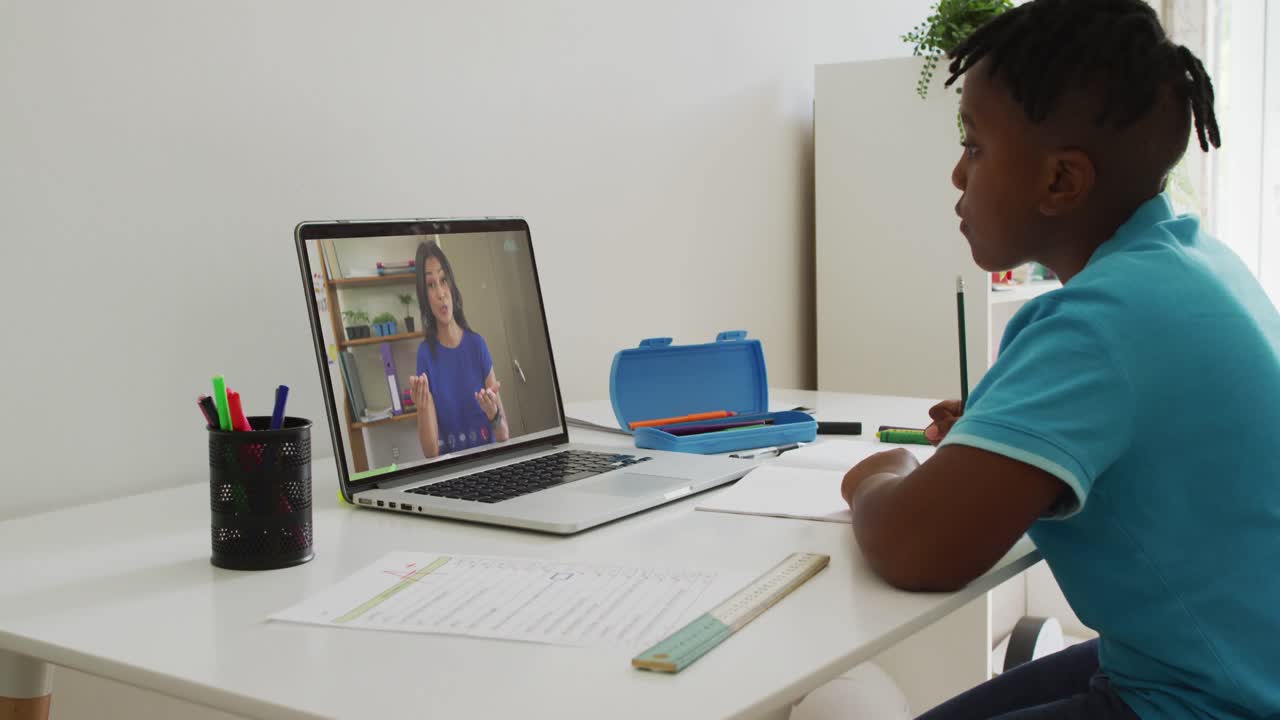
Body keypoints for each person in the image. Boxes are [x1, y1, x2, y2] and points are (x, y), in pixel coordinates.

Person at [838, 1, 1280, 718]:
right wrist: (999, 440)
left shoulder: (1097, 321)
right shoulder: (1191, 264)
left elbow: (920, 548)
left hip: (1214, 700)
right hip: (1219, 660)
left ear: (1061, 183)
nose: (957, 175)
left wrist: (876, 477)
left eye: (974, 147)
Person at [407, 241, 509, 458]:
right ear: (425, 297)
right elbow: (430, 451)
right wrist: (422, 407)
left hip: (489, 465)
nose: (441, 293)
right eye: (431, 285)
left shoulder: (477, 345)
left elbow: (503, 434)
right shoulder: (425, 356)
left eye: (443, 280)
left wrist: (494, 415)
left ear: (452, 285)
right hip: (452, 472)